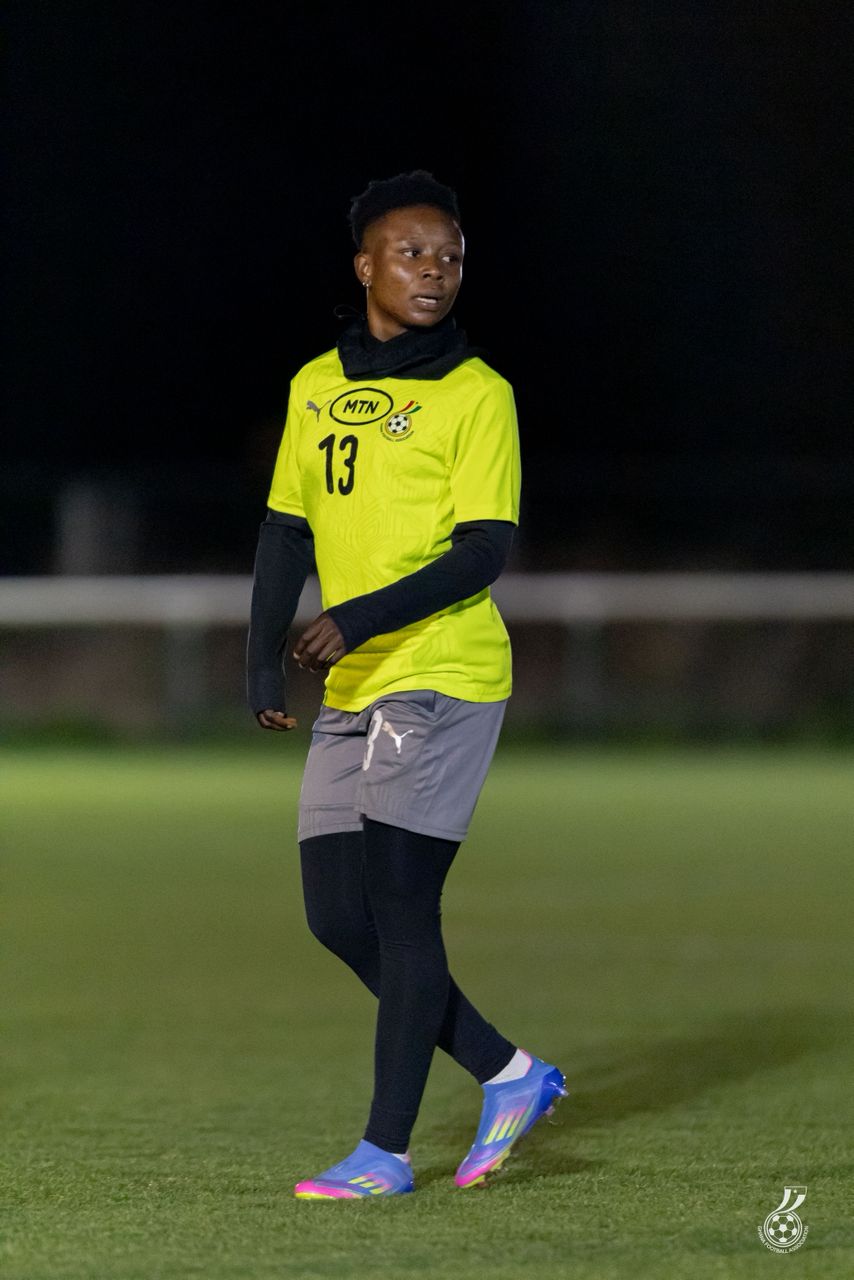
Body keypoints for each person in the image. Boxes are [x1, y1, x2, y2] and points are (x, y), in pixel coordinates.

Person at [247, 170, 566, 1199]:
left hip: (440, 671)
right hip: (354, 684)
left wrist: (358, 614)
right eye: (412, 252)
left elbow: (484, 550)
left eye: (450, 255)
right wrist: (262, 657)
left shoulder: (477, 393)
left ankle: (383, 1151)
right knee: (336, 917)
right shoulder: (314, 384)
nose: (434, 269)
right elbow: (284, 526)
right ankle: (507, 1071)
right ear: (364, 266)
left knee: (398, 904)